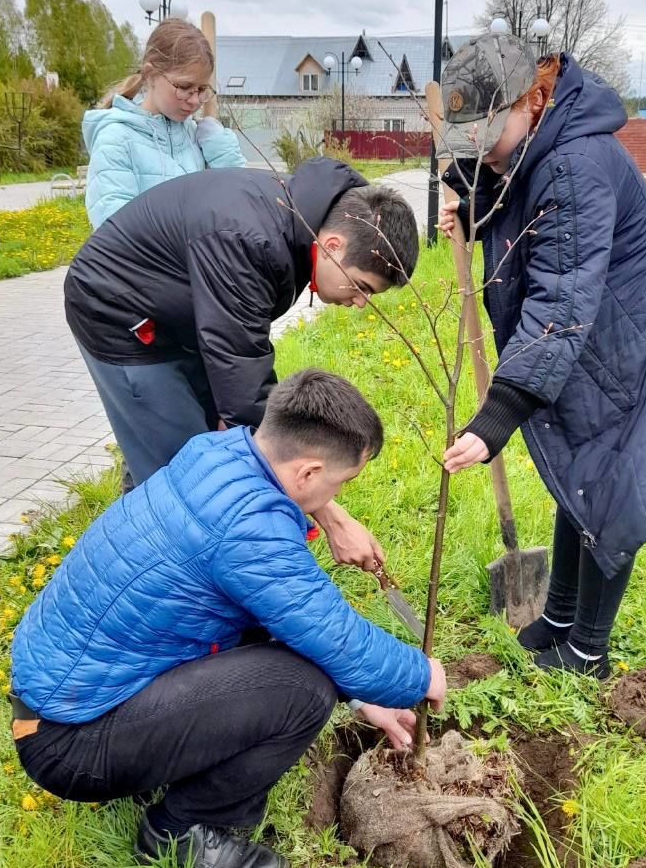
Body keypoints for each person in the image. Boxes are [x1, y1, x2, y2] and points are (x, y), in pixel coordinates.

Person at [9, 370, 446, 868]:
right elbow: (338, 638)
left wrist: (363, 702)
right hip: (70, 743)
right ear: (308, 471)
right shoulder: (248, 530)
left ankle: (162, 769)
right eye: (341, 484)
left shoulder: (217, 455)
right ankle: (180, 832)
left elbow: (284, 618)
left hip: (62, 699)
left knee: (289, 655)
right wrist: (422, 675)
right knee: (303, 690)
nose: (337, 497)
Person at [438, 32, 646, 679]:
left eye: (486, 132)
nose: (478, 147)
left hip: (642, 337)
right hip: (600, 329)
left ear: (533, 99)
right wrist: (474, 206)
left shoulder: (575, 162)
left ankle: (587, 650)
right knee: (579, 477)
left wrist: (499, 412)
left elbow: (560, 290)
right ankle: (559, 619)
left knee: (611, 484)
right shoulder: (534, 146)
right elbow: (523, 218)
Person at [64, 160, 419, 570]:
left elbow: (238, 365)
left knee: (201, 453)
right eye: (360, 287)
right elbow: (246, 393)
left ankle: (139, 550)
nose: (360, 302)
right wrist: (331, 515)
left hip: (183, 319)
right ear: (334, 245)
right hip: (121, 318)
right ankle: (148, 579)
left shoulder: (298, 220)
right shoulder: (251, 238)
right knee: (183, 476)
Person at [83, 18, 245, 231]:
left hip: (195, 262)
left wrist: (222, 151)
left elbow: (238, 205)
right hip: (146, 264)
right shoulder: (116, 140)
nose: (195, 100)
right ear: (151, 74)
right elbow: (116, 232)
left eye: (201, 89)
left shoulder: (195, 137)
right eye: (185, 87)